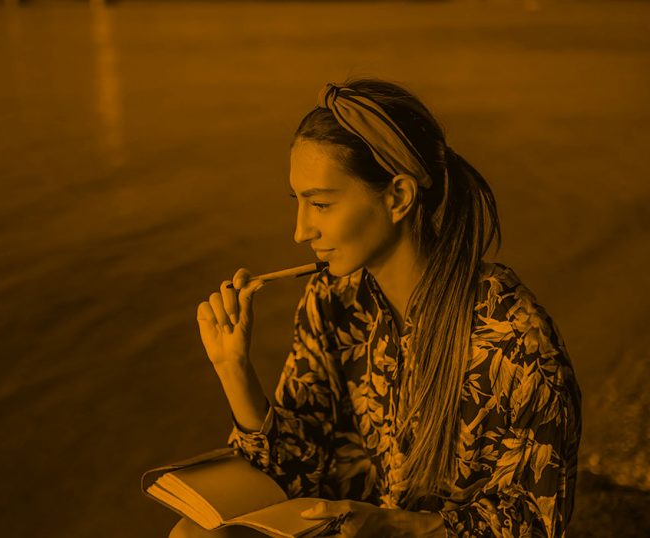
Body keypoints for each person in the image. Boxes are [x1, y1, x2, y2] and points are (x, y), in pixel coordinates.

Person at [171, 79, 581, 537]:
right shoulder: (332, 300)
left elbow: (536, 522)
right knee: (193, 533)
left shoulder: (511, 337)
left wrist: (401, 528)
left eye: (321, 204)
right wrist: (234, 369)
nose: (301, 231)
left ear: (399, 197)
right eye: (298, 203)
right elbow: (295, 472)